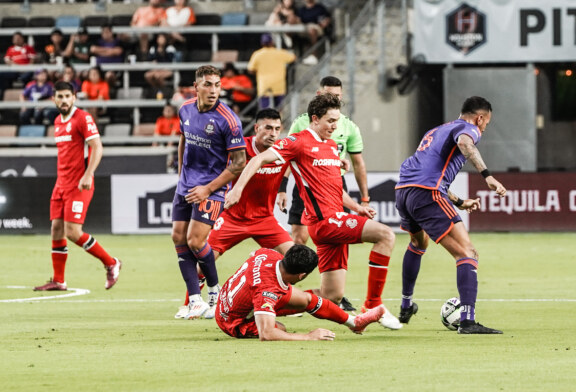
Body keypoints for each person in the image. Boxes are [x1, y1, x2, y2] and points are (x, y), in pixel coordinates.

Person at [226, 93, 402, 330]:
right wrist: (237, 189)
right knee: (385, 235)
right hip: (325, 221)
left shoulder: (330, 147)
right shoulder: (298, 141)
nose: (335, 126)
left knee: (332, 296)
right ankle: (372, 304)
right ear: (315, 119)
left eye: (337, 121)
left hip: (335, 220)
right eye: (330, 121)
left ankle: (258, 306)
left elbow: (334, 189)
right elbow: (257, 160)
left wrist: (357, 207)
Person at [395, 96, 506, 334]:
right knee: (468, 253)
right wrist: (487, 175)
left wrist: (458, 201)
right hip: (427, 195)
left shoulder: (434, 131)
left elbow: (427, 172)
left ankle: (406, 305)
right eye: (486, 123)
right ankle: (467, 321)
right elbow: (466, 144)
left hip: (404, 192)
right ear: (480, 118)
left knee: (417, 242)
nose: (484, 128)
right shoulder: (468, 128)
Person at [174, 108, 293, 319]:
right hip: (232, 217)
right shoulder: (240, 147)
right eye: (267, 128)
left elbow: (295, 163)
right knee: (203, 261)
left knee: (294, 260)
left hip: (265, 219)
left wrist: (283, 189)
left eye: (277, 128)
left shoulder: (283, 150)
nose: (273, 133)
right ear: (257, 128)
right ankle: (190, 304)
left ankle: (278, 302)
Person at [278, 76, 369, 312]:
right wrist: (281, 188)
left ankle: (331, 292)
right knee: (299, 241)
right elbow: (289, 155)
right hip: (306, 188)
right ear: (319, 95)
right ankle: (282, 286)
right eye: (330, 95)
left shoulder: (347, 125)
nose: (334, 98)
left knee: (335, 241)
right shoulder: (301, 124)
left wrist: (363, 199)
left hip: (334, 187)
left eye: (338, 96)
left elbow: (357, 163)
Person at [172, 65, 246, 320]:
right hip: (186, 184)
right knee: (178, 237)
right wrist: (181, 172)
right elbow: (183, 138)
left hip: (212, 188)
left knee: (195, 241)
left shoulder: (229, 120)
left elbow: (239, 163)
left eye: (217, 85)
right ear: (196, 87)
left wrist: (208, 189)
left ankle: (215, 293)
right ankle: (195, 300)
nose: (213, 90)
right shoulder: (185, 109)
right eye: (207, 84)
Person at [34, 81, 121, 292]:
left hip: (79, 184)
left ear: (74, 97)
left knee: (72, 232)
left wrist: (88, 174)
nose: (63, 100)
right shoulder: (57, 121)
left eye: (67, 96)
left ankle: (111, 262)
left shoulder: (83, 118)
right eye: (60, 96)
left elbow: (97, 147)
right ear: (54, 98)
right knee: (56, 229)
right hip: (61, 184)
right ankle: (59, 280)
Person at [215, 245, 386, 340]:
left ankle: (355, 322)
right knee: (279, 328)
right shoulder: (267, 292)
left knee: (306, 299)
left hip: (237, 296)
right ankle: (249, 318)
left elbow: (254, 253)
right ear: (302, 275)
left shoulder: (268, 254)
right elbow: (266, 334)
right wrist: (308, 337)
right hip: (232, 321)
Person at [247, 33, 296, 109]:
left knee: (264, 112)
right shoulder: (279, 53)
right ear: (272, 42)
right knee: (279, 111)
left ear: (262, 43)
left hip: (264, 85)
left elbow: (250, 70)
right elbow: (293, 58)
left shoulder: (257, 54)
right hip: (278, 85)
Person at [296, 0, 332, 65]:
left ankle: (314, 55)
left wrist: (325, 23)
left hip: (317, 27)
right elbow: (298, 20)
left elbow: (327, 19)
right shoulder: (302, 9)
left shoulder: (320, 8)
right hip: (305, 27)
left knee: (312, 30)